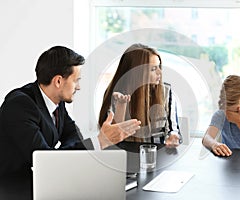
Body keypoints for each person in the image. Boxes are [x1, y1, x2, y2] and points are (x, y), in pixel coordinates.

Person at [0, 46, 141, 176]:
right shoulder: (19, 105)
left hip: (39, 180)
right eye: (76, 81)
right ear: (58, 81)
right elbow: (43, 161)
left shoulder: (56, 100)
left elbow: (73, 134)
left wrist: (59, 157)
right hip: (11, 186)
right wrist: (101, 141)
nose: (78, 87)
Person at [98, 43, 182, 148]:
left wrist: (173, 136)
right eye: (153, 69)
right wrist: (121, 106)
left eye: (159, 67)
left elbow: (172, 129)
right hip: (123, 158)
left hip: (156, 158)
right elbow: (111, 138)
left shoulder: (166, 92)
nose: (159, 72)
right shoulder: (117, 95)